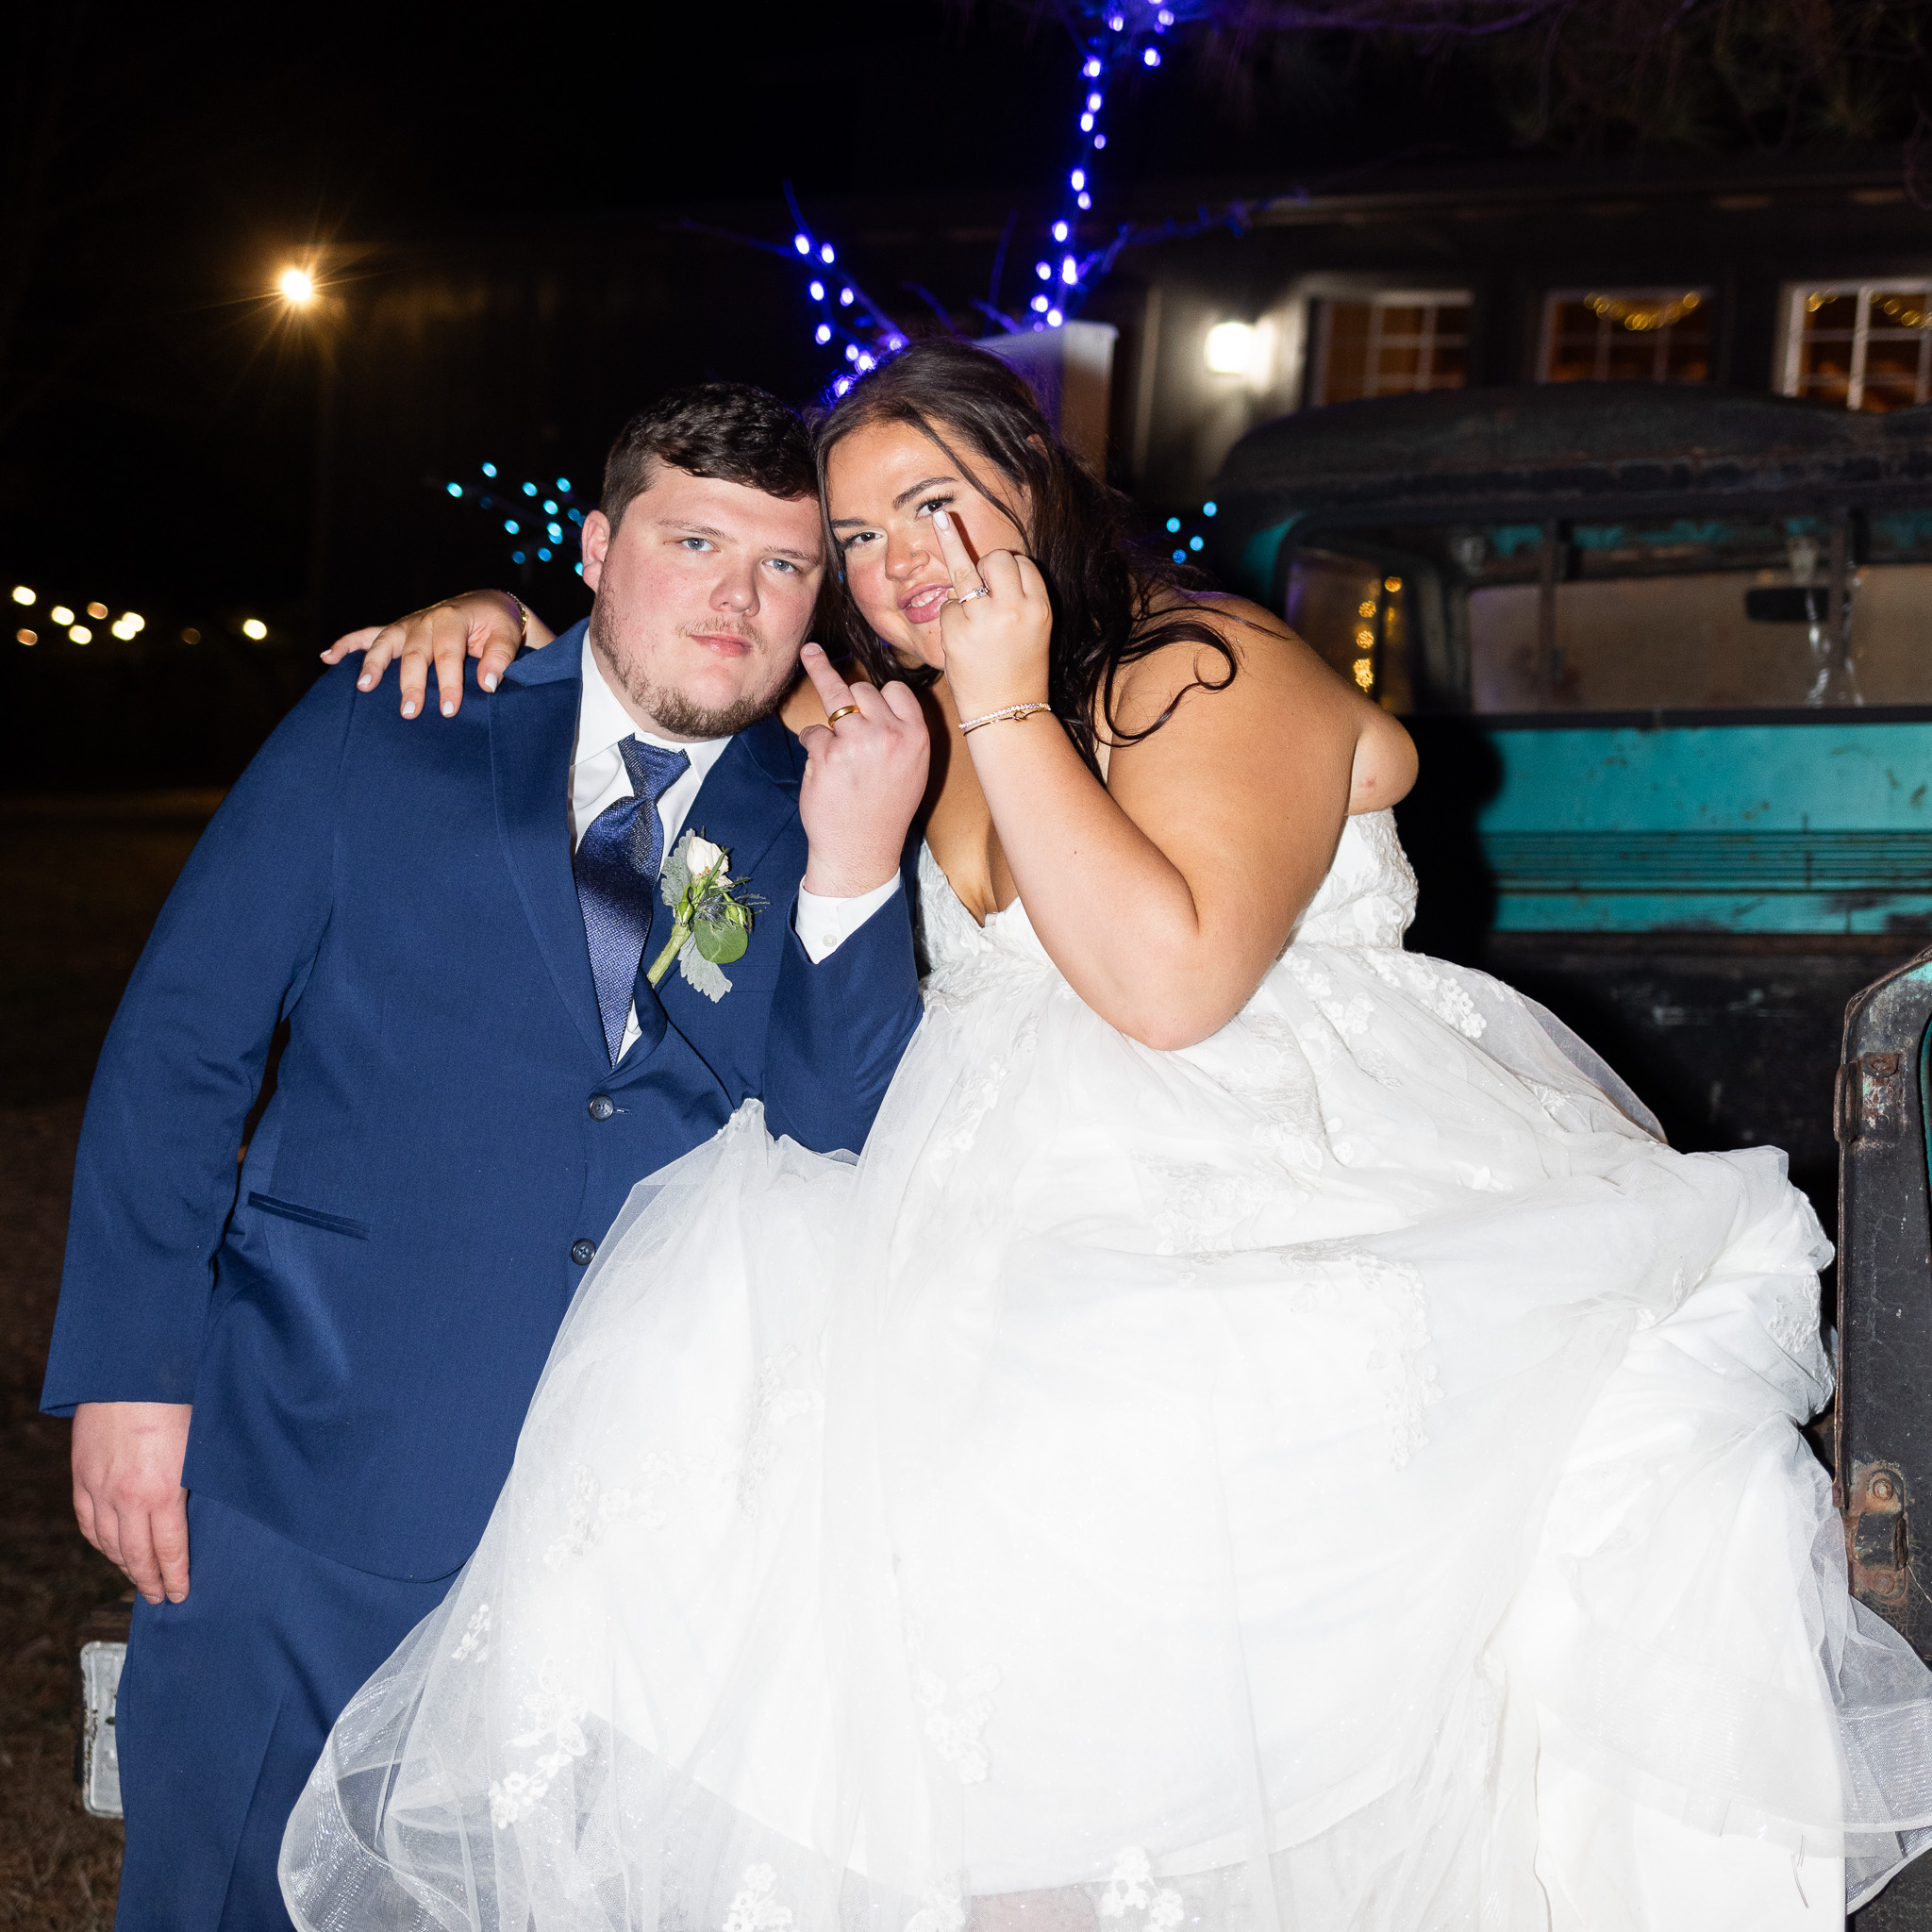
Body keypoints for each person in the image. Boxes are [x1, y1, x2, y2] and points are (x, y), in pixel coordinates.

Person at [283, 340, 1932, 1931]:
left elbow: (1170, 984)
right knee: (819, 1600)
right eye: (854, 540)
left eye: (934, 503)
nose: (893, 563)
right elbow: (665, 673)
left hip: (1257, 1206)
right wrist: (494, 616)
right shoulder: (918, 721)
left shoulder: (1202, 665)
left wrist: (1003, 706)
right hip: (977, 1216)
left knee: (1118, 1636)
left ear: (1033, 478)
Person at [41, 382, 930, 1932]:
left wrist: (857, 873)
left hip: (626, 1517)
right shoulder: (396, 715)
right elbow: (184, 1048)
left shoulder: (830, 806)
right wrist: (130, 1375)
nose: (737, 598)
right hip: (305, 1458)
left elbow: (839, 1145)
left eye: (784, 567)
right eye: (694, 541)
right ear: (596, 546)